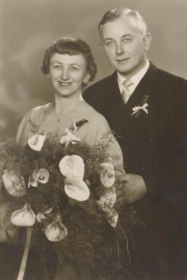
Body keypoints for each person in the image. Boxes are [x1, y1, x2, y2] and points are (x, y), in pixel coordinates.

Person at [83, 7, 187, 280]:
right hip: (108, 232)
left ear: (146, 41)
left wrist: (148, 183)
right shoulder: (93, 96)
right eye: (110, 43)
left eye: (127, 39)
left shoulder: (180, 91)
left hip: (163, 232)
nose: (119, 50)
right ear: (102, 48)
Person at [16, 37, 124, 280]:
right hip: (30, 238)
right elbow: (15, 174)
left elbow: (113, 185)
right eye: (57, 66)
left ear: (87, 76)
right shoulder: (32, 118)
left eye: (74, 68)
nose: (64, 75)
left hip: (74, 244)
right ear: (47, 71)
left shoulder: (95, 123)